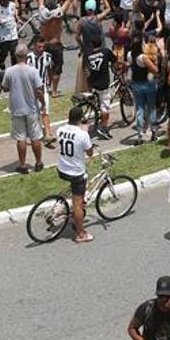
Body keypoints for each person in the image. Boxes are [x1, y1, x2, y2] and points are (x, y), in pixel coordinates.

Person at [55, 104, 96, 243]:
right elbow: (90, 152)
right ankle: (80, 234)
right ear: (80, 119)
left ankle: (68, 208)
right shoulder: (82, 134)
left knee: (75, 193)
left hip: (62, 169)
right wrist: (85, 131)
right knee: (78, 204)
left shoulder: (59, 130)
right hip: (76, 173)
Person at [4, 44, 45, 174]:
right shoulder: (32, 71)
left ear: (16, 56)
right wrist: (43, 103)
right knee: (35, 137)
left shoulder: (9, 71)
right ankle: (38, 163)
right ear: (27, 56)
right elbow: (39, 90)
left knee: (20, 138)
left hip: (17, 109)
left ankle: (22, 165)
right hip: (31, 108)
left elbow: (4, 87)